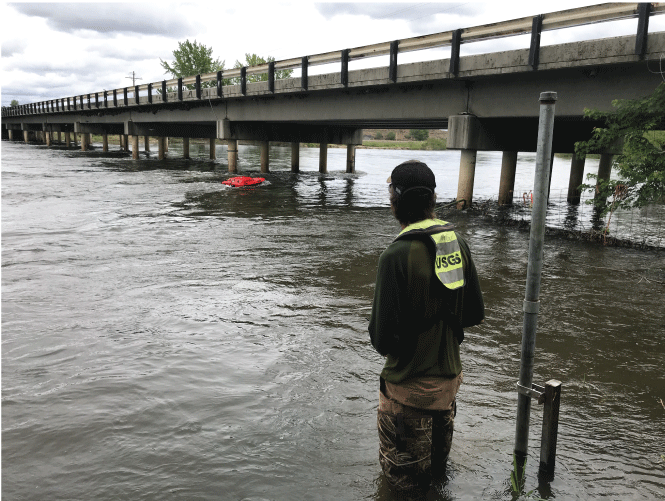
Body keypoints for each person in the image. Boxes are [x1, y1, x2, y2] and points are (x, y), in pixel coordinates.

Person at [369, 160, 485, 490]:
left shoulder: (395, 255)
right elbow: (474, 314)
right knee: (436, 480)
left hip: (407, 389)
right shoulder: (457, 242)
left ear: (395, 200)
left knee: (402, 488)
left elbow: (381, 339)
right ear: (433, 199)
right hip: (447, 386)